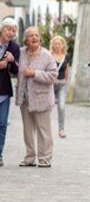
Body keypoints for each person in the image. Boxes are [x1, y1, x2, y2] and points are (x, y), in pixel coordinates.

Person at [16, 27, 58, 168]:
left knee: (44, 130)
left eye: (36, 35)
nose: (34, 38)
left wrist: (35, 73)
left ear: (40, 39)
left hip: (42, 98)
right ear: (26, 40)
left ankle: (45, 159)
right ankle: (29, 158)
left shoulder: (47, 55)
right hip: (25, 97)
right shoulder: (21, 53)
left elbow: (53, 75)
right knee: (27, 130)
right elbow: (14, 68)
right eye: (30, 36)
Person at [0, 18, 21, 167]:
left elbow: (14, 72)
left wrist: (13, 62)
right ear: (2, 29)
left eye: (13, 30)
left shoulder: (14, 47)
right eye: (8, 29)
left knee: (2, 124)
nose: (10, 32)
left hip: (4, 91)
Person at [50, 36, 70, 139]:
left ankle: (61, 129)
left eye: (59, 43)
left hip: (62, 84)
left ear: (62, 45)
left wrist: (67, 83)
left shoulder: (66, 57)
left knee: (61, 106)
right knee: (47, 106)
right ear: (53, 45)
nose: (57, 45)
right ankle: (46, 128)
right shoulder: (49, 56)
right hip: (50, 84)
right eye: (55, 43)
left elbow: (67, 71)